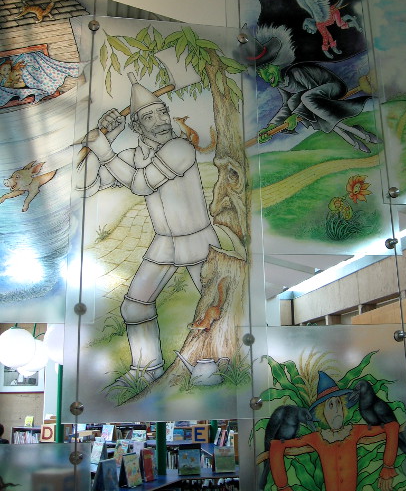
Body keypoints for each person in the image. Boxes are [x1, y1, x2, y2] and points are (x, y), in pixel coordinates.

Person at [77, 75, 219, 384]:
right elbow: (84, 185)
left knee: (212, 306)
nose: (160, 121)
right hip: (165, 243)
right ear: (137, 126)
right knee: (134, 307)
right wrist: (108, 138)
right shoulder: (133, 156)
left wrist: (104, 151)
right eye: (149, 117)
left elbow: (141, 184)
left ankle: (208, 365)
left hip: (199, 240)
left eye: (161, 113)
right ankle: (146, 369)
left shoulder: (180, 148)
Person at [241, 25, 380, 153]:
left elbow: (314, 91)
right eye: (260, 73)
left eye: (266, 68)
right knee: (297, 104)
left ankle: (362, 135)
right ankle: (355, 137)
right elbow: (287, 105)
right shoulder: (281, 84)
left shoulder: (296, 72)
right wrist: (271, 126)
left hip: (333, 87)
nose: (265, 76)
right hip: (314, 100)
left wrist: (296, 116)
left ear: (277, 63)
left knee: (306, 99)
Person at [269, 372, 399, 491]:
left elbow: (392, 427)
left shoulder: (354, 431)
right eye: (330, 405)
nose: (337, 410)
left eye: (339, 403)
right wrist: (283, 486)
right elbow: (277, 445)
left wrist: (387, 466)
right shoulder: (317, 438)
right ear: (322, 413)